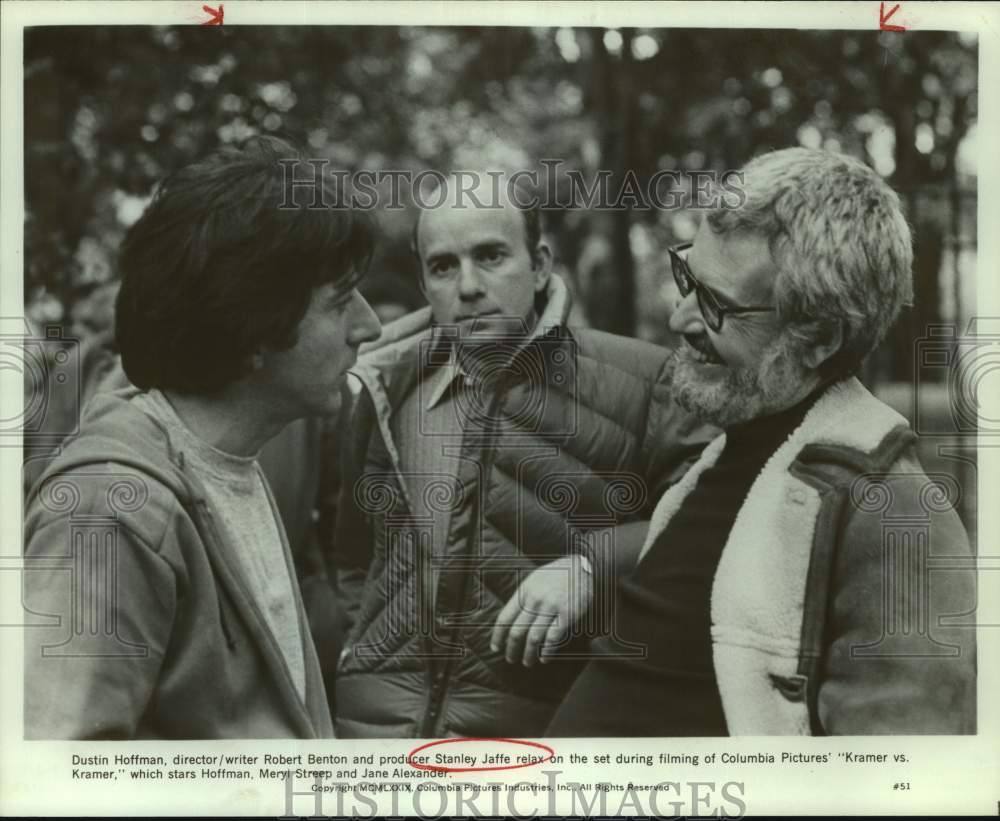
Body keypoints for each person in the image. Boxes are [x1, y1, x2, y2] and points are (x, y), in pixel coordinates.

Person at [546, 147, 976, 736]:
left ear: (819, 338)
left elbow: (901, 779)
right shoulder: (742, 447)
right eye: (687, 279)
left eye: (717, 305)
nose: (680, 320)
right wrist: (590, 565)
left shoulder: (896, 515)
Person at [22, 136, 381, 739]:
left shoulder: (229, 461)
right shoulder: (110, 511)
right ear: (253, 331)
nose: (369, 326)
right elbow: (60, 777)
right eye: (341, 302)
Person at [332, 173, 712, 738]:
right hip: (375, 739)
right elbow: (354, 557)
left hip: (538, 748)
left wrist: (593, 566)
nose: (468, 286)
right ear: (424, 280)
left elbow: (712, 519)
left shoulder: (645, 381)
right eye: (443, 266)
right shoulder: (386, 388)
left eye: (490, 256)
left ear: (538, 265)